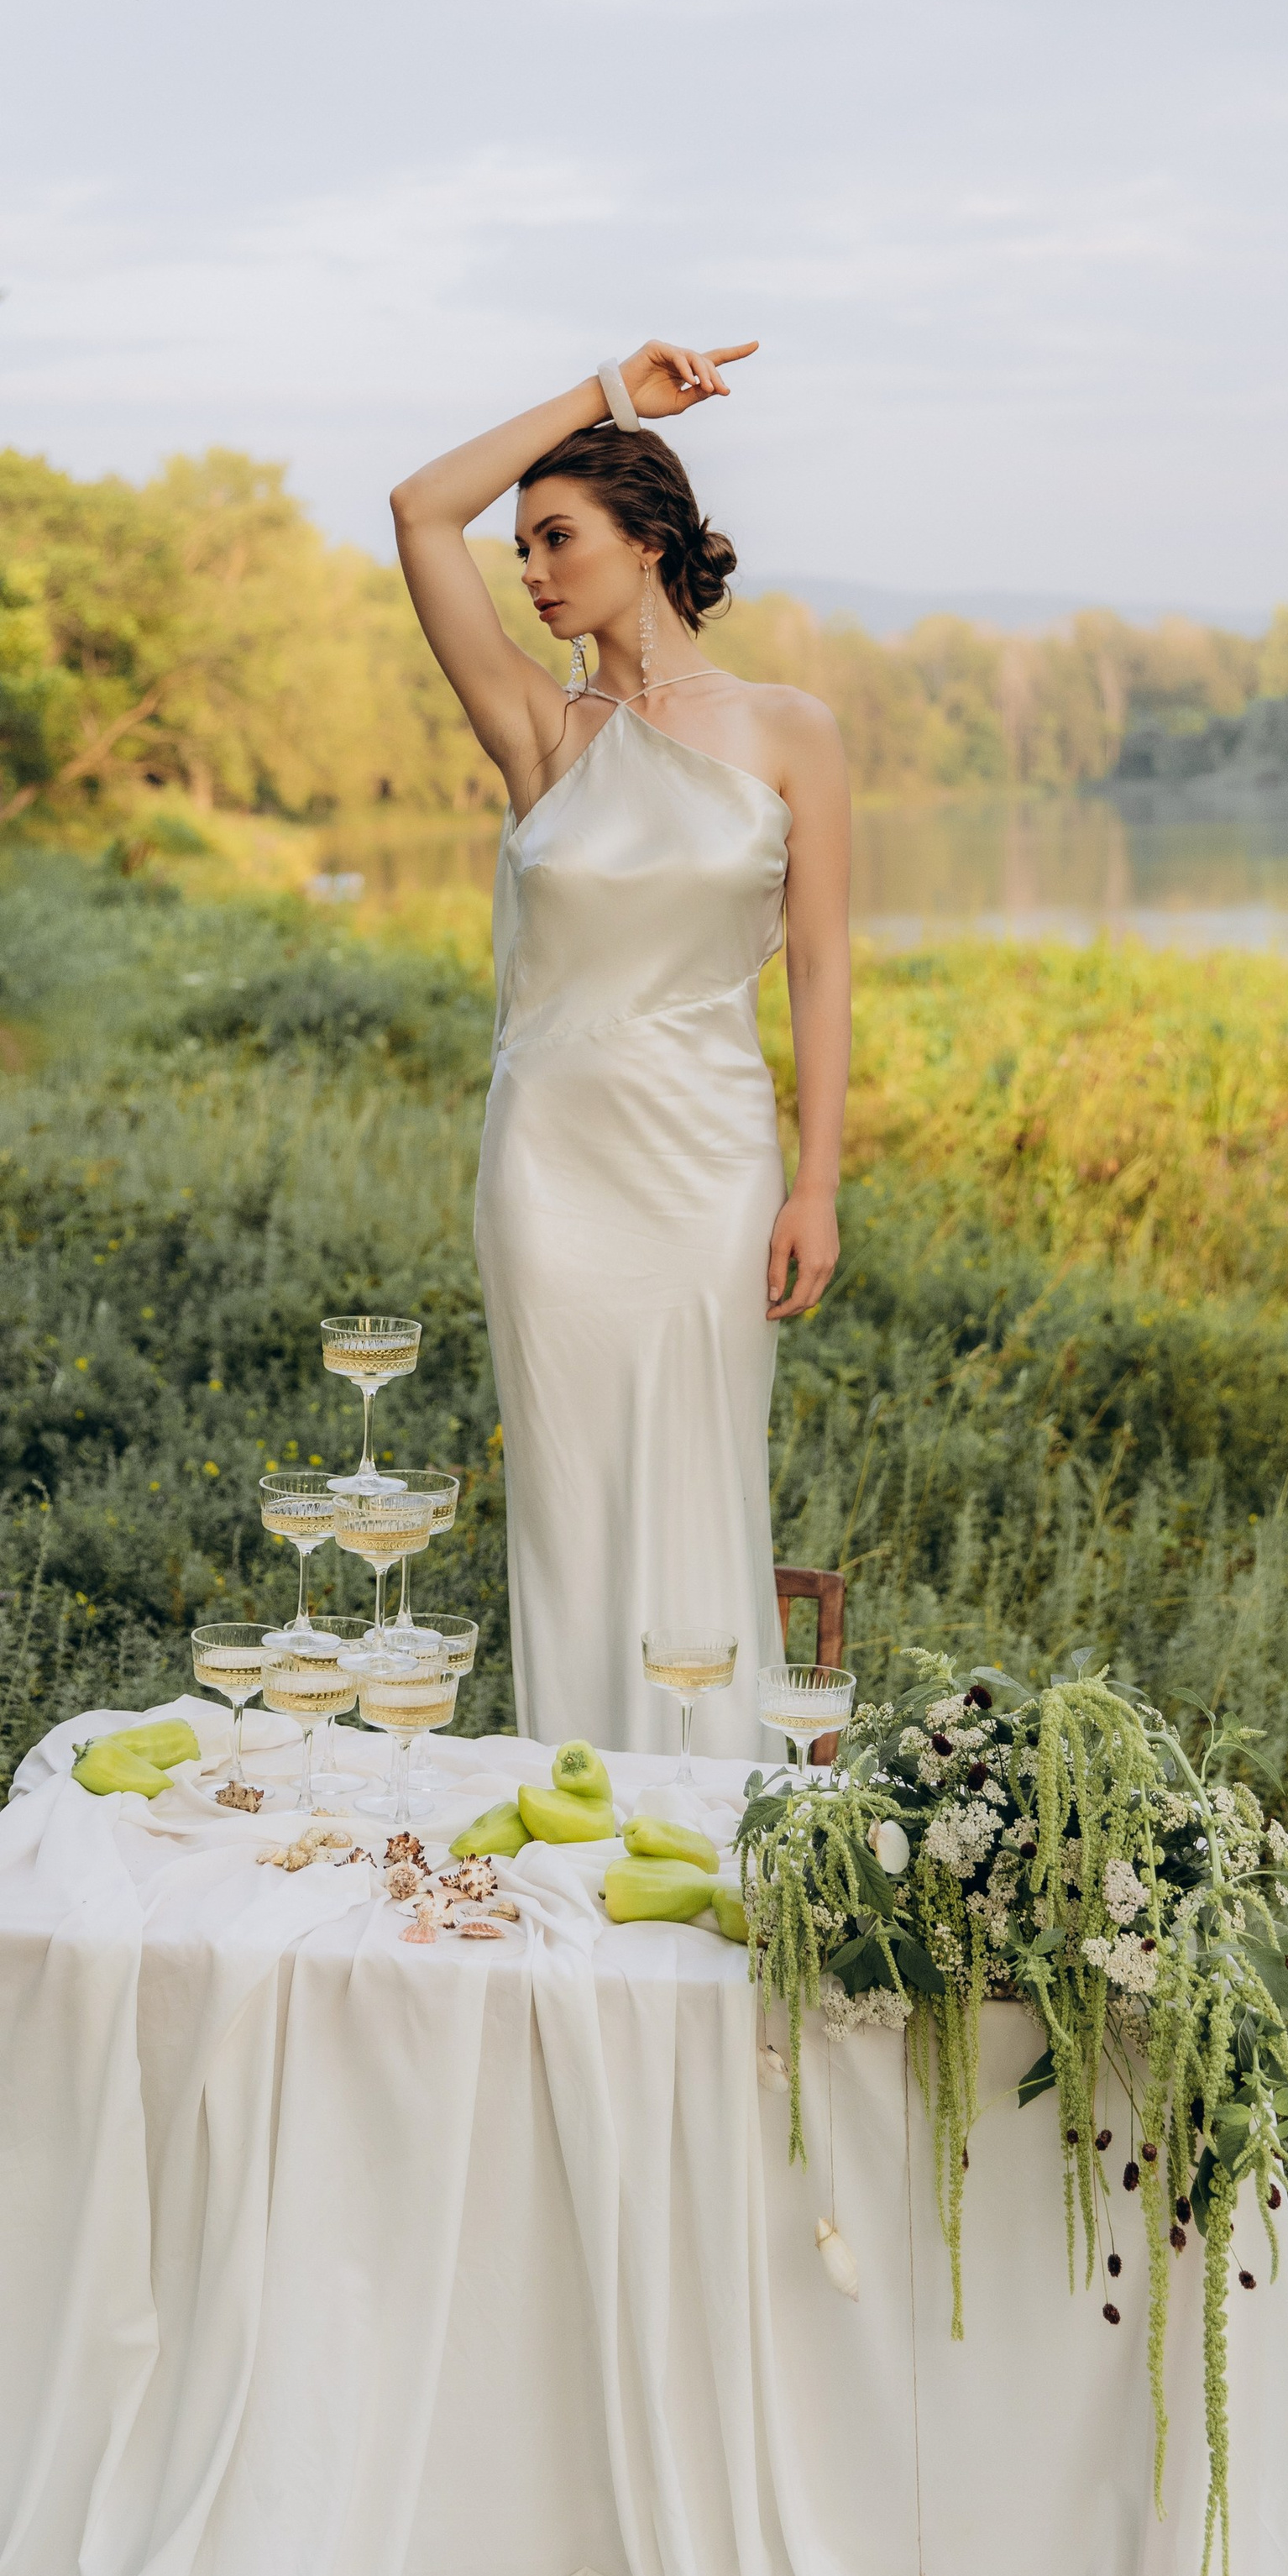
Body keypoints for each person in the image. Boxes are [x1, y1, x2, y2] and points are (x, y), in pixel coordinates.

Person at [390, 342, 851, 1761]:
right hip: (552, 1170)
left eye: (557, 537)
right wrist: (603, 393)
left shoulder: (789, 732)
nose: (529, 570)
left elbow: (825, 967)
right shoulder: (542, 731)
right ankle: (586, 1807)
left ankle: (717, 1818)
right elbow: (417, 508)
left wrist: (817, 1184)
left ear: (647, 543)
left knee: (701, 1478)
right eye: (523, 544)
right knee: (575, 1498)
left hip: (711, 1159)